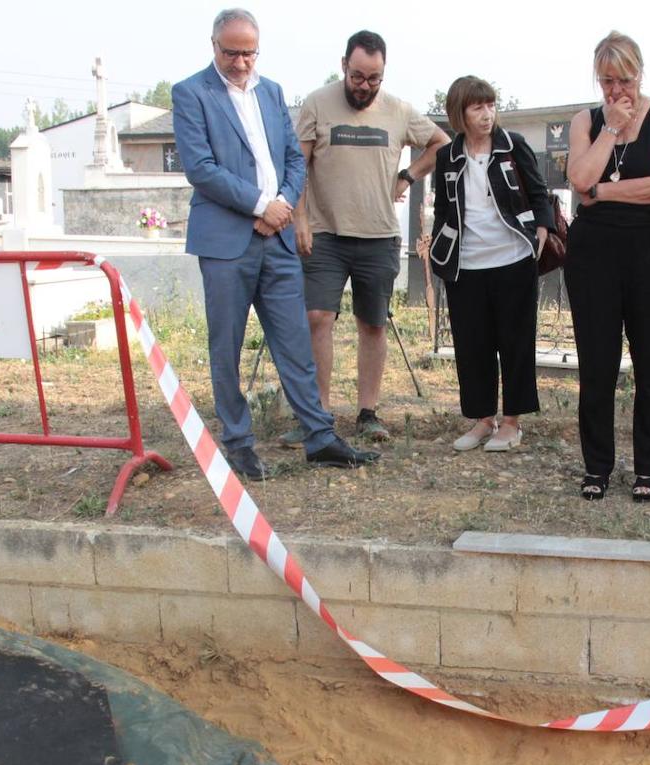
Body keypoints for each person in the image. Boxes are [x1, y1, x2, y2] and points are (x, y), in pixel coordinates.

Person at [172, 8, 379, 479]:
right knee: (226, 345)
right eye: (232, 52)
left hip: (278, 238)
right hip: (227, 242)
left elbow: (293, 157)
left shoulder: (272, 92)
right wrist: (259, 206)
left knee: (295, 343)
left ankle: (319, 436)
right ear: (214, 46)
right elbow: (200, 168)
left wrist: (282, 204)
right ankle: (239, 441)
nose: (242, 62)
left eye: (249, 52)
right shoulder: (191, 93)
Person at [286, 30, 450, 447]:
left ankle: (367, 412)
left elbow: (441, 143)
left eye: (374, 79)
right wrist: (299, 218)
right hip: (324, 233)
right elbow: (297, 165)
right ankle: (317, 415)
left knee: (372, 324)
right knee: (316, 319)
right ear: (344, 65)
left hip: (378, 236)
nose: (364, 86)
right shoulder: (317, 104)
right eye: (358, 76)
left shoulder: (399, 111)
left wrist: (409, 175)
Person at [564, 31, 650, 502]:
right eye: (607, 81)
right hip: (595, 253)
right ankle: (597, 466)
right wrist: (611, 130)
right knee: (597, 363)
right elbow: (579, 178)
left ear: (641, 74)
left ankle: (648, 469)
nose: (617, 91)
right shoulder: (586, 122)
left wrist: (602, 193)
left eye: (625, 79)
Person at [429, 76, 551, 452]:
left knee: (514, 342)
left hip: (512, 258)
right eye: (477, 107)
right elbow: (442, 210)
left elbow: (538, 191)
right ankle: (482, 420)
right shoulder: (447, 156)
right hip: (466, 265)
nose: (486, 114)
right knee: (472, 345)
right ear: (460, 113)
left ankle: (511, 423)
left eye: (490, 105)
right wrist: (438, 251)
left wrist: (541, 231)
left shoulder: (513, 146)